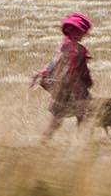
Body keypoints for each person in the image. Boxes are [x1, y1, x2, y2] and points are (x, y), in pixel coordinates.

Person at [31, 12, 94, 141]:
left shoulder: (61, 47)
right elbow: (83, 70)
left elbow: (52, 65)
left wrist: (42, 73)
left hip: (61, 88)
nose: (83, 35)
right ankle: (83, 141)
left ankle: (45, 139)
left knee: (57, 119)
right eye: (82, 32)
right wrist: (88, 81)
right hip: (75, 90)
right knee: (84, 114)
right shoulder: (79, 50)